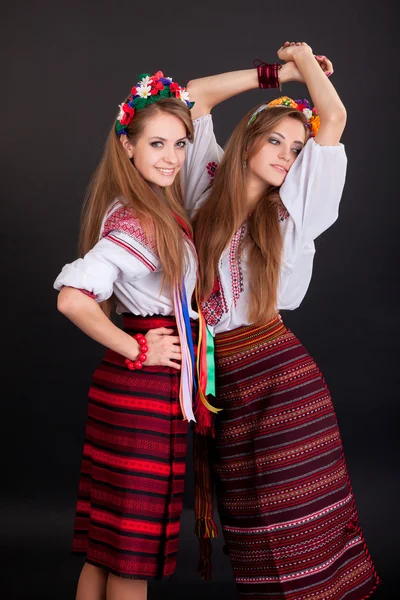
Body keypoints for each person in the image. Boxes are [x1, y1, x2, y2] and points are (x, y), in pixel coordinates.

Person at [186, 42, 380, 599]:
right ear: (249, 138)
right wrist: (281, 74)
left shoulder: (295, 211)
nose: (285, 156)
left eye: (297, 149)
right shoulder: (204, 185)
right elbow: (194, 95)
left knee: (298, 521)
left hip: (282, 381)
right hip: (221, 384)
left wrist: (309, 71)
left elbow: (334, 118)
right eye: (276, 140)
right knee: (250, 528)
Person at [53, 70, 218, 600]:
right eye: (156, 143)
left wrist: (279, 73)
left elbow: (199, 92)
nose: (171, 156)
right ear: (127, 146)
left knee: (108, 551)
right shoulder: (137, 223)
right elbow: (73, 296)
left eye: (179, 143)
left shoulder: (151, 209)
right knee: (129, 557)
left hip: (133, 395)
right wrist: (139, 348)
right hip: (141, 396)